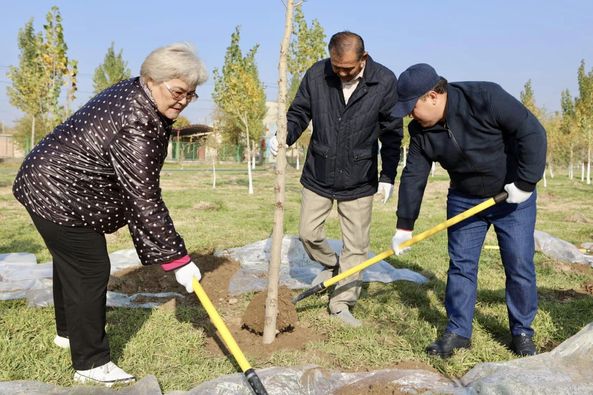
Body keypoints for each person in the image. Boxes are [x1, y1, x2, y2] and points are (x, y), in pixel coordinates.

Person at [12, 42, 208, 386]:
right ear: (152, 80)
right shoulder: (138, 120)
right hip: (57, 190)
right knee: (90, 267)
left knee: (71, 262)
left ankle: (68, 334)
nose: (183, 100)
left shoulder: (136, 93)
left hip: (50, 181)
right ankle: (91, 363)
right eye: (178, 91)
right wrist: (176, 258)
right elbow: (143, 196)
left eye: (190, 95)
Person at [390, 63, 546, 357]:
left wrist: (525, 182)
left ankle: (522, 332)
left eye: (412, 107)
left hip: (512, 196)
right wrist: (404, 225)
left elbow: (532, 132)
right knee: (461, 266)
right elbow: (414, 175)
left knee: (519, 265)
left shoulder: (485, 97)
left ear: (433, 96)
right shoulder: (421, 132)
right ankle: (458, 331)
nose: (409, 114)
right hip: (465, 198)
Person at [270, 31, 403, 327]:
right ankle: (333, 266)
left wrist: (388, 175)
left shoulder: (384, 81)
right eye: (336, 66)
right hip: (319, 169)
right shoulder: (318, 74)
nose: (341, 73)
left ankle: (341, 302)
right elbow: (299, 112)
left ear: (363, 59)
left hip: (360, 176)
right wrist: (284, 135)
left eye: (348, 68)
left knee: (356, 245)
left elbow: (392, 133)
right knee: (308, 233)